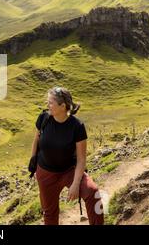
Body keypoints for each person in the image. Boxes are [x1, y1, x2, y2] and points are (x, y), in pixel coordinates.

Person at [29, 86, 104, 225]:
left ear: (62, 106)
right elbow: (36, 140)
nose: (48, 105)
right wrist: (33, 163)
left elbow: (81, 159)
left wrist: (75, 184)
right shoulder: (44, 118)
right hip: (45, 174)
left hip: (69, 171)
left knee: (92, 192)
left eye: (51, 102)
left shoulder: (77, 126)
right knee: (49, 212)